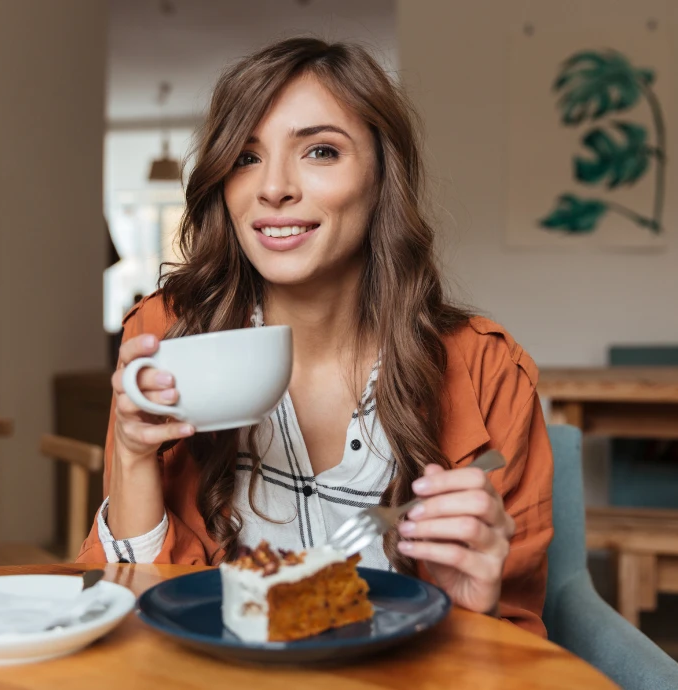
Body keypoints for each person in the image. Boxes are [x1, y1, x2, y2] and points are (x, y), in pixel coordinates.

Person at [77, 37, 553, 637]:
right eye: (246, 157)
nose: (273, 187)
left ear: (383, 177)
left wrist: (471, 612)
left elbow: (519, 643)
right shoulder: (167, 337)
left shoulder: (489, 373)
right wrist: (131, 458)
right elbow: (131, 616)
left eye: (320, 151)